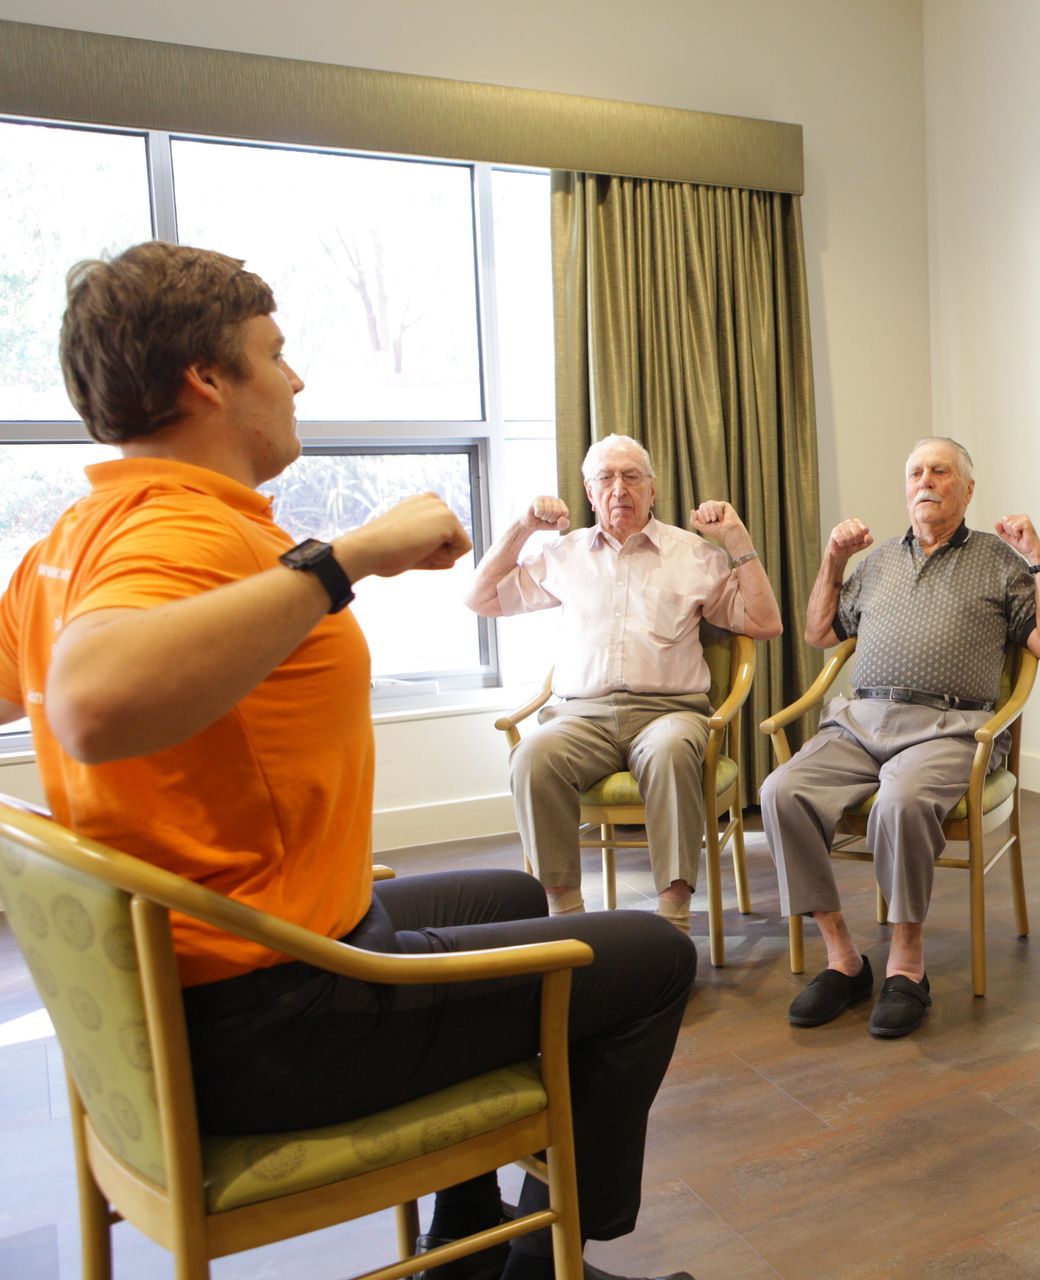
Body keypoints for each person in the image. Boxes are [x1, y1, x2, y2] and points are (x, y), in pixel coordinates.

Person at [0, 242, 696, 1280]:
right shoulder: (179, 534)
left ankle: (465, 1245)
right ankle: (538, 1264)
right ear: (207, 379)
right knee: (651, 960)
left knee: (505, 889)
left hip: (202, 986)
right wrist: (346, 558)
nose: (296, 378)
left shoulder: (77, 534)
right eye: (274, 353)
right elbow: (96, 701)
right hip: (279, 1017)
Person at [760, 436, 1040, 1038]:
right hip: (859, 722)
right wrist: (832, 558)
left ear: (967, 489)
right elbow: (820, 633)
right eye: (915, 473)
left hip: (948, 728)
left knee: (902, 803)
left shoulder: (998, 559)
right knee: (781, 791)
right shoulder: (876, 561)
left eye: (940, 471)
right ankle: (843, 960)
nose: (925, 481)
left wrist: (1039, 560)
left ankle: (907, 965)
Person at [465, 435, 783, 924]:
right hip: (580, 717)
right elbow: (481, 599)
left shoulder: (694, 555)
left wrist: (737, 540)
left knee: (672, 750)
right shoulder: (563, 555)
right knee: (531, 755)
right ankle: (565, 911)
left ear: (652, 489)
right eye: (606, 479)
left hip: (669, 713)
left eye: (631, 476)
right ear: (590, 494)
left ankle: (674, 911)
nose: (619, 489)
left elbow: (765, 623)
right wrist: (521, 527)